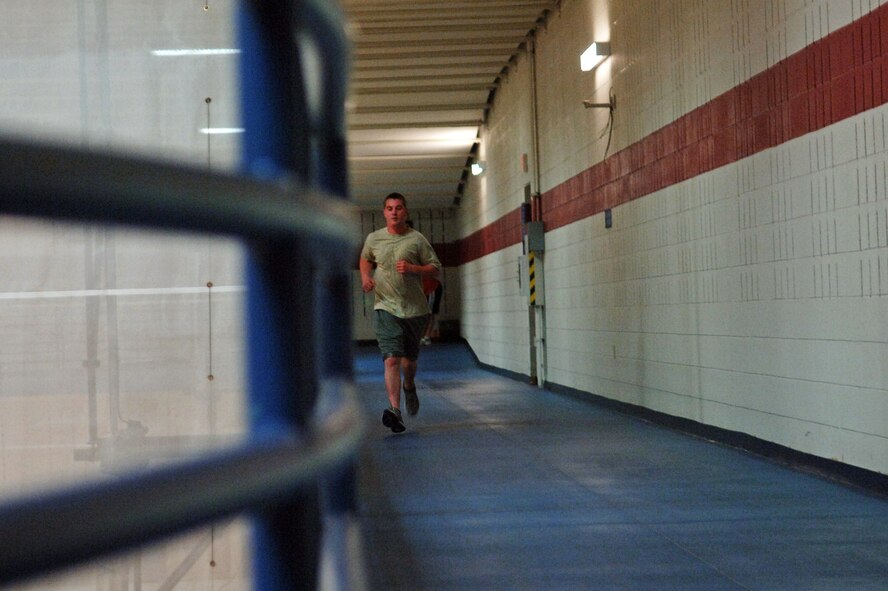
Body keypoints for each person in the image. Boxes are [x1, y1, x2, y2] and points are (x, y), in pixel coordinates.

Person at [360, 193, 441, 433]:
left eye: (398, 208)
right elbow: (366, 258)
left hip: (415, 310)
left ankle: (410, 386)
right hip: (385, 306)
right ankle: (395, 410)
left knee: (409, 361)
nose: (394, 212)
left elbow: (435, 268)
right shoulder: (374, 238)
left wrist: (414, 268)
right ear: (384, 212)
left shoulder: (417, 240)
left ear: (405, 212)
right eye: (389, 208)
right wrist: (366, 276)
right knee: (392, 358)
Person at [420, 275, 442, 345]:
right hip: (422, 290)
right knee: (421, 315)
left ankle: (426, 337)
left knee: (429, 314)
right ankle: (422, 337)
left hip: (431, 288)